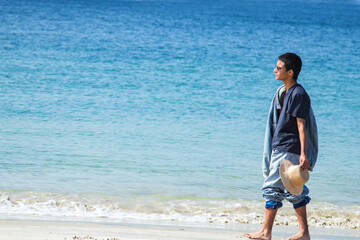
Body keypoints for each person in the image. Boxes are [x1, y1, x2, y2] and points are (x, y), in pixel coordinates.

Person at [243, 53, 318, 240]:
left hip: (288, 148)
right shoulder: (284, 92)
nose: (274, 70)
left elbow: (302, 125)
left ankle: (269, 232)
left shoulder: (298, 94)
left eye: (279, 68)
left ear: (290, 72)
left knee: (273, 188)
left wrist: (303, 154)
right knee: (288, 190)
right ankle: (297, 233)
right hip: (282, 146)